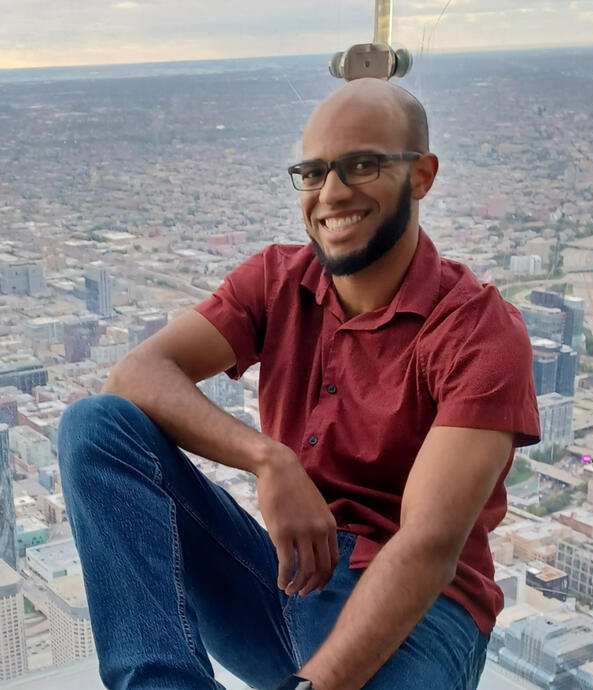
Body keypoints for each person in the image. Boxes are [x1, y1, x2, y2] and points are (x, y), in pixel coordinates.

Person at [57, 78, 540, 690]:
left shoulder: (480, 331)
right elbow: (137, 374)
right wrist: (269, 459)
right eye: (312, 173)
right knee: (95, 428)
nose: (331, 193)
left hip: (420, 615)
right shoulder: (279, 280)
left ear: (421, 175)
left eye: (361, 165)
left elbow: (428, 545)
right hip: (285, 579)